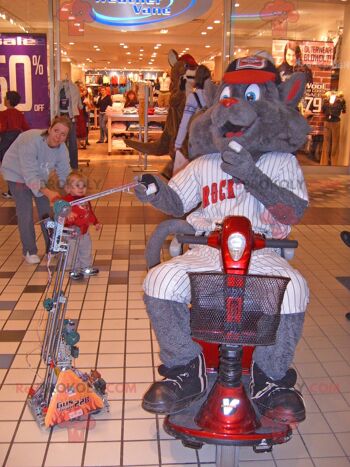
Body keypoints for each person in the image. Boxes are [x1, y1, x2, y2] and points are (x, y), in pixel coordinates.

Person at [134, 54, 310, 424]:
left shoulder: (281, 161)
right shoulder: (205, 162)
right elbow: (176, 202)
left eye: (247, 97)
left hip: (261, 249)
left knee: (294, 287)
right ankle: (186, 368)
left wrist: (251, 175)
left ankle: (271, 378)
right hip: (206, 247)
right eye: (227, 97)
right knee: (160, 281)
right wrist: (154, 190)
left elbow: (292, 211)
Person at [1, 115, 71, 264]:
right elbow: (29, 175)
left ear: (66, 137)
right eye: (56, 131)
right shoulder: (31, 141)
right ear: (49, 129)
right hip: (17, 174)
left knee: (46, 211)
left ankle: (52, 248)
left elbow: (65, 173)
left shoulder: (62, 149)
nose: (58, 136)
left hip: (38, 174)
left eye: (63, 134)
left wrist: (72, 193)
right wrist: (49, 192)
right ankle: (29, 250)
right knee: (25, 212)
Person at [173, 64, 212, 173]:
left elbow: (185, 123)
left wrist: (178, 144)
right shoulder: (215, 96)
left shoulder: (193, 97)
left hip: (196, 140)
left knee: (196, 169)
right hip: (212, 139)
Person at [63, 172, 101, 280]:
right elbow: (59, 211)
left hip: (84, 231)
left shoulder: (85, 200)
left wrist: (95, 222)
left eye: (83, 186)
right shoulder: (66, 201)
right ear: (68, 188)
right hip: (71, 233)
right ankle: (74, 269)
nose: (81, 188)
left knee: (86, 249)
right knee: (72, 251)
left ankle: (86, 267)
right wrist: (67, 213)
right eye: (77, 186)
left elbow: (89, 213)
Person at [0, 90, 30, 199]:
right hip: (17, 141)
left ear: (8, 101)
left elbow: (2, 128)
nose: (3, 99)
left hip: (6, 142)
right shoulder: (19, 114)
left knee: (7, 167)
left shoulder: (3, 114)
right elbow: (26, 128)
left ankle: (11, 191)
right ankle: (16, 190)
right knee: (16, 167)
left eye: (5, 97)